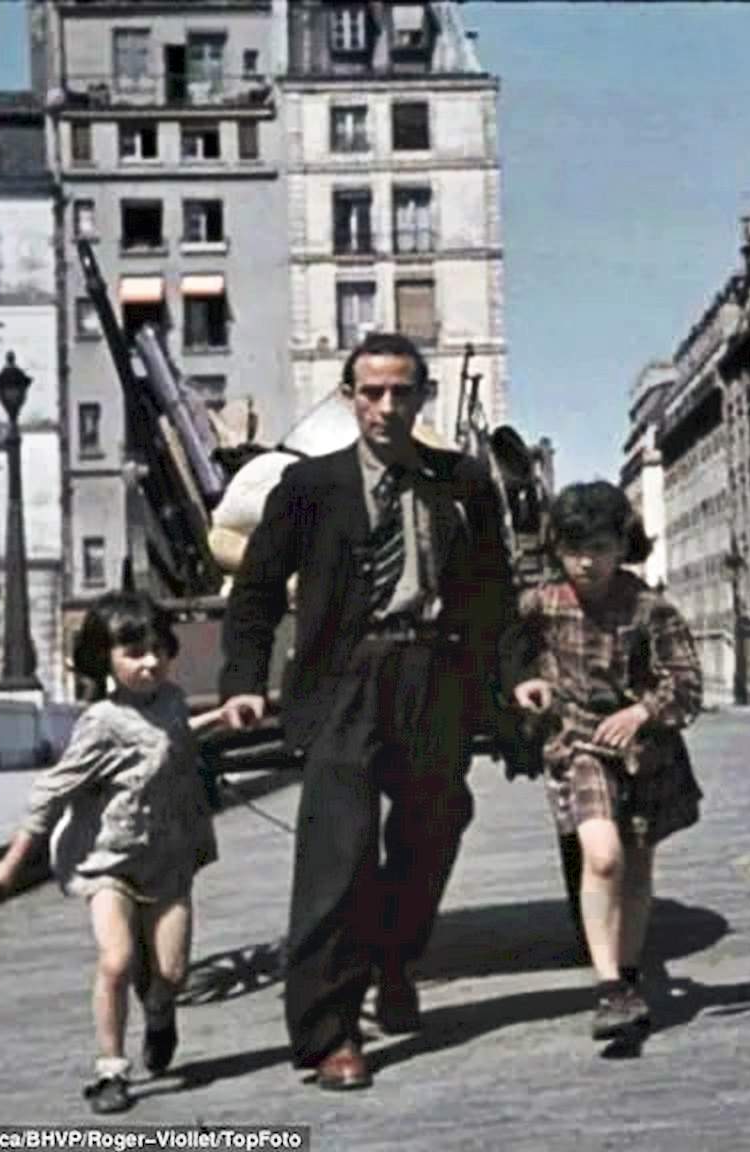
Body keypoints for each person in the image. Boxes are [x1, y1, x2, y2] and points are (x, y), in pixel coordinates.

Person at [217, 330, 515, 1091]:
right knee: (337, 856)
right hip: (343, 682)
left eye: (401, 392)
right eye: (371, 392)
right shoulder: (308, 486)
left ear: (422, 398)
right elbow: (253, 595)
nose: (386, 406)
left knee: (433, 829)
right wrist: (244, 682)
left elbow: (494, 596)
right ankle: (331, 1034)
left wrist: (513, 679)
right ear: (350, 398)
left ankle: (395, 957)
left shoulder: (463, 483)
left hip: (434, 675)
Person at [0, 592, 223, 1115]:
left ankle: (159, 1015)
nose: (150, 662)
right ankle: (111, 1070)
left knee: (172, 973)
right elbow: (52, 791)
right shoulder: (100, 722)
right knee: (116, 960)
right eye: (134, 652)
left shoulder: (174, 701)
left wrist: (223, 717)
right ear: (104, 658)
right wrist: (12, 861)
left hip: (167, 856)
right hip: (107, 861)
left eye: (158, 649)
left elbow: (173, 735)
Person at [506, 480, 703, 1043]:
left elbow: (687, 686)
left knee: (636, 867)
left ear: (623, 545)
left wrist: (642, 712)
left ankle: (630, 973)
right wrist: (524, 681)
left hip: (645, 756)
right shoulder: (542, 603)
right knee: (603, 856)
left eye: (598, 547)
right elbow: (506, 641)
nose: (585, 562)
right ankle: (608, 986)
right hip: (577, 746)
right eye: (572, 549)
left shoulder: (651, 610)